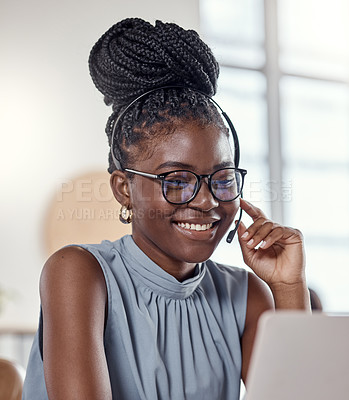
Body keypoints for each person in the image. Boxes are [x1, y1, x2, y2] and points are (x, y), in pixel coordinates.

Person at [22, 18, 310, 400]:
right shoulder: (80, 274)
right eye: (177, 181)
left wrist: (288, 286)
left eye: (222, 178)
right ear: (124, 189)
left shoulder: (245, 295)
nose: (207, 201)